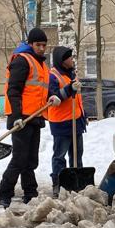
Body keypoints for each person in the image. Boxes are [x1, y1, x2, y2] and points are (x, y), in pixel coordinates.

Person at [0, 28, 60, 208]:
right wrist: (16, 116)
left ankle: (30, 193)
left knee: (31, 159)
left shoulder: (41, 64)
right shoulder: (22, 61)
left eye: (44, 45)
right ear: (31, 44)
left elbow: (40, 89)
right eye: (38, 45)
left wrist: (52, 96)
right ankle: (4, 194)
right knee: (19, 159)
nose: (42, 48)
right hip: (21, 118)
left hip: (35, 116)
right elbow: (13, 90)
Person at [47, 46, 86, 198]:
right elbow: (53, 98)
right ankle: (58, 183)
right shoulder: (53, 76)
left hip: (76, 121)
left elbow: (76, 99)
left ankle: (77, 183)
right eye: (69, 58)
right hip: (62, 123)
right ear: (62, 60)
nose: (72, 60)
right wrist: (69, 88)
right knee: (59, 156)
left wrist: (83, 116)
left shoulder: (72, 74)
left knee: (77, 155)